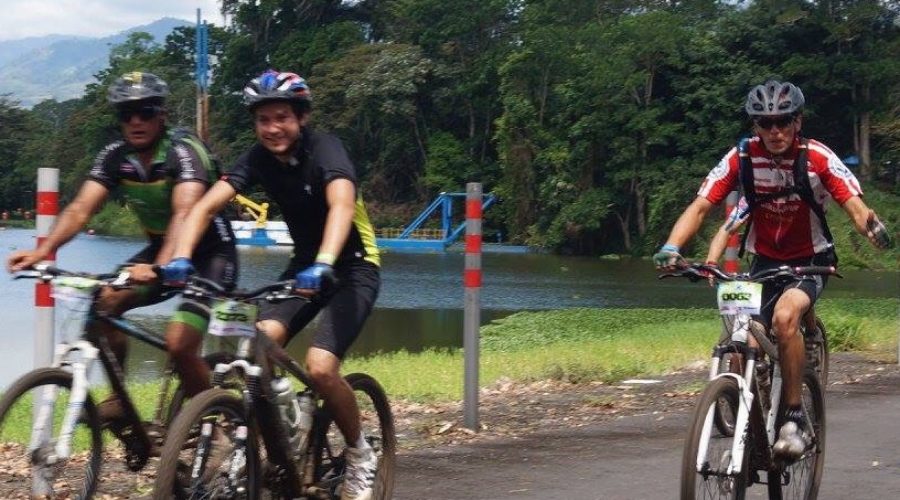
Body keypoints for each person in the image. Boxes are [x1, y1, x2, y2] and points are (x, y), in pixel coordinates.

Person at [163, 70, 381, 500]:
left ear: (300, 117)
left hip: (353, 266)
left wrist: (323, 261)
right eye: (263, 120)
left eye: (282, 117)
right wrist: (182, 256)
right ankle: (279, 423)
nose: (272, 128)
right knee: (259, 342)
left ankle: (359, 453)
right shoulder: (258, 158)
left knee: (320, 368)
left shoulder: (326, 149)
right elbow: (206, 206)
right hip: (304, 267)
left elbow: (340, 206)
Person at [653, 80, 891, 460]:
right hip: (763, 262)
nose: (775, 131)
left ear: (798, 122)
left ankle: (793, 417)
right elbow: (701, 207)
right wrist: (672, 246)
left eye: (783, 121)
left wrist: (870, 227)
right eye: (766, 124)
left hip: (809, 261)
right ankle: (751, 409)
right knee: (746, 336)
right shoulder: (741, 159)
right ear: (755, 127)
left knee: (784, 318)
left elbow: (852, 202)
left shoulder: (817, 158)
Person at [6, 72, 238, 422]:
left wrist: (159, 268)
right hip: (161, 249)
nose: (135, 121)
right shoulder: (116, 156)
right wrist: (43, 251)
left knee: (179, 343)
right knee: (105, 302)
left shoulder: (183, 153)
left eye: (144, 111)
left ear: (161, 114)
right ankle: (119, 399)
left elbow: (184, 213)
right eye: (126, 114)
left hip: (210, 255)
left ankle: (215, 428)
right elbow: (82, 209)